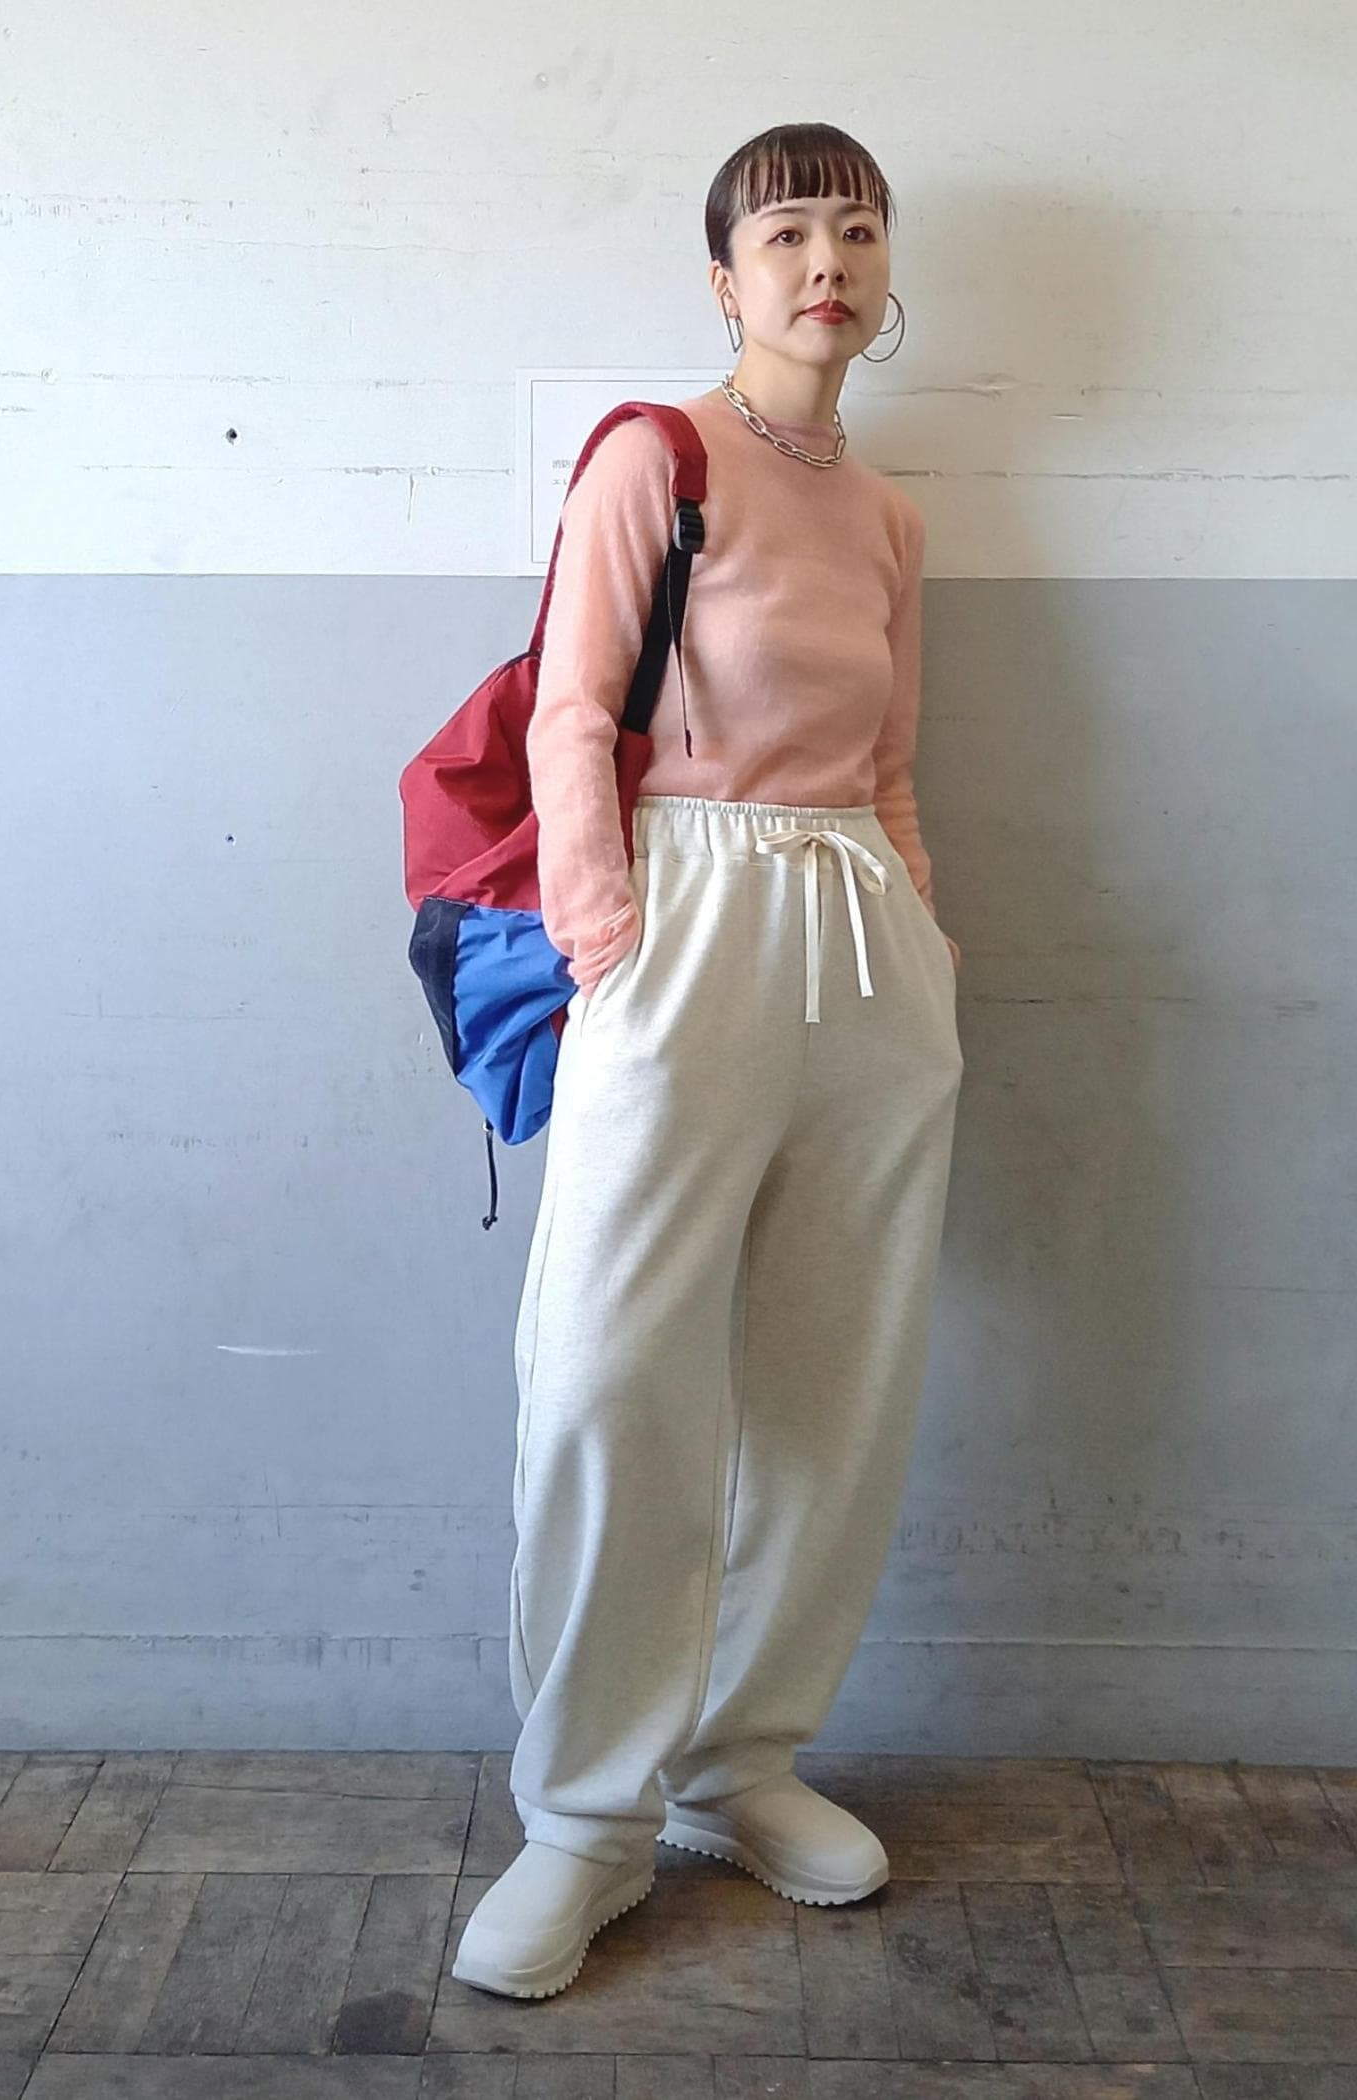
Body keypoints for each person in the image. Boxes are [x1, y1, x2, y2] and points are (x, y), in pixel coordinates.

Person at [453, 121, 964, 2000]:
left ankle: (742, 1764)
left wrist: (924, 939)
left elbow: (891, 765)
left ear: (884, 274)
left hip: (864, 941)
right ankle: (585, 1819)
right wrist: (610, 943)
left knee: (838, 1374)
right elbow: (574, 710)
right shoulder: (655, 456)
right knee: (612, 1367)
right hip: (685, 919)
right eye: (789, 231)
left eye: (858, 229)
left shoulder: (890, 519)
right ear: (728, 278)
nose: (828, 260)